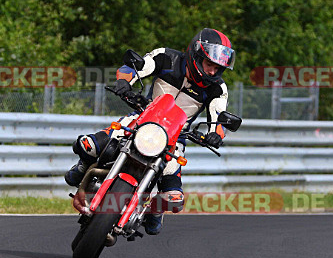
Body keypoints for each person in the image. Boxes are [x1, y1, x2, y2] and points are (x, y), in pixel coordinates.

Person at [66, 28, 236, 235]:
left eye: (217, 68)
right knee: (89, 144)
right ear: (196, 56)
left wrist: (216, 134)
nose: (212, 72)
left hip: (175, 138)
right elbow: (137, 66)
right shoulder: (167, 57)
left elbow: (219, 115)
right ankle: (84, 166)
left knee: (174, 197)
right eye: (209, 64)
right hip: (142, 119)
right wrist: (123, 82)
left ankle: (152, 210)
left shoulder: (218, 88)